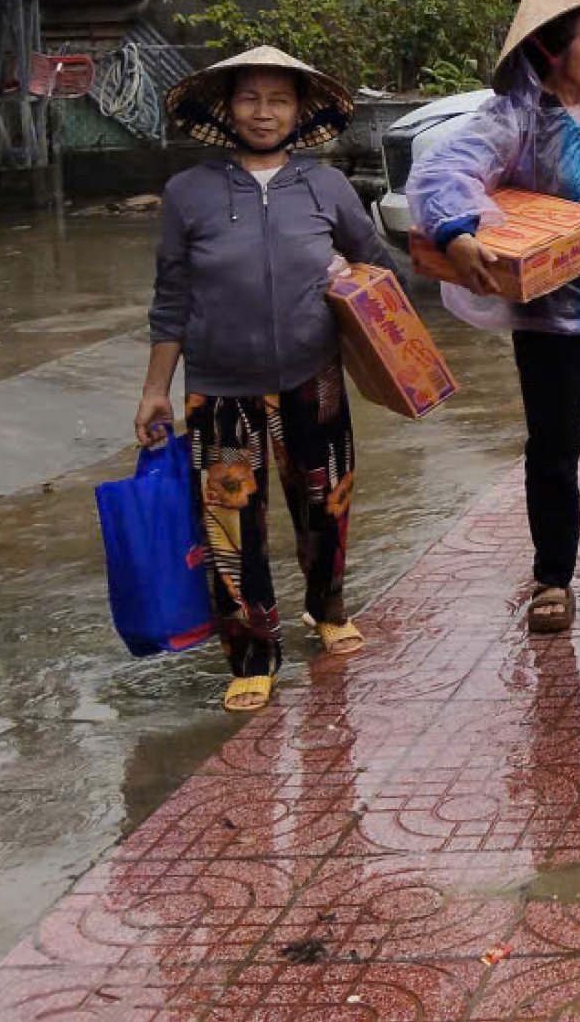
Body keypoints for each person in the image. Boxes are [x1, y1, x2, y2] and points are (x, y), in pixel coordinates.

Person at [138, 47, 393, 712]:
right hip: (219, 386)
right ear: (226, 108)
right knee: (230, 525)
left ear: (299, 112)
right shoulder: (187, 193)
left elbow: (374, 268)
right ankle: (253, 652)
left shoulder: (327, 187)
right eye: (249, 98)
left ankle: (326, 607)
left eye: (278, 100)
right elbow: (170, 300)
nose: (263, 112)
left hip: (316, 379)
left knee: (325, 509)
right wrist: (154, 390)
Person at [408, 0, 580, 635]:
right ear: (553, 49)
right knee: (552, 448)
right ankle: (552, 576)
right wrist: (458, 229)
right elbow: (447, 170)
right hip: (551, 319)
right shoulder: (512, 119)